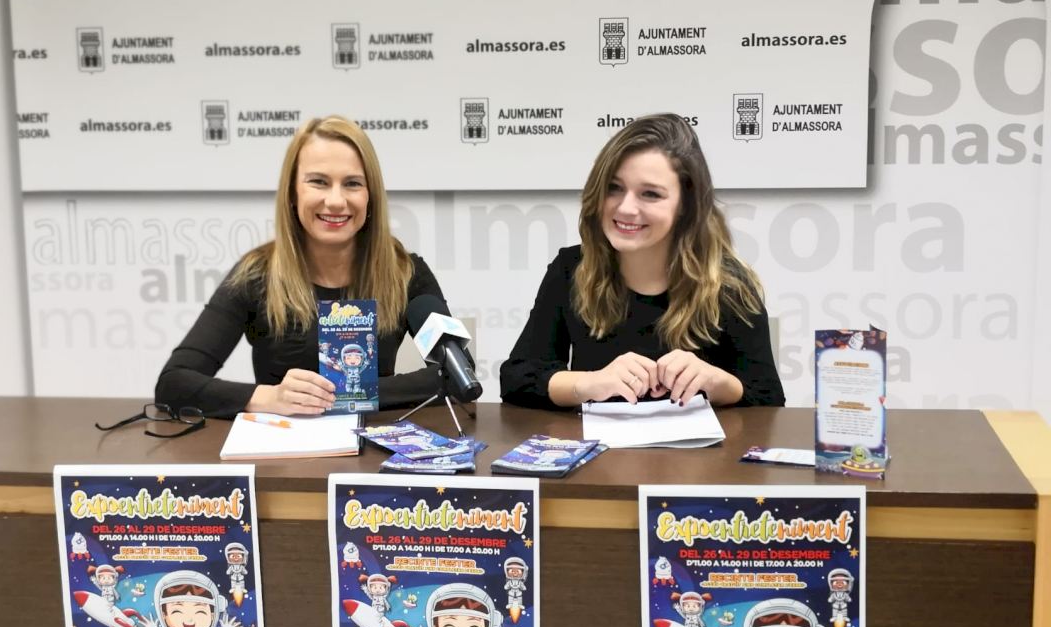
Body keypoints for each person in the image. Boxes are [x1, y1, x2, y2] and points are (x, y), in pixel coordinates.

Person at [156, 116, 448, 415]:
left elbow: (455, 376)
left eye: (352, 184)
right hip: (280, 442)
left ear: (370, 196)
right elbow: (174, 384)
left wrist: (346, 394)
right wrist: (269, 398)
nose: (336, 201)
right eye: (319, 182)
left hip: (371, 440)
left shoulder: (405, 272)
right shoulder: (256, 274)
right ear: (292, 193)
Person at [500, 114, 784, 409]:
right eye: (614, 188)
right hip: (599, 439)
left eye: (650, 194)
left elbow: (769, 399)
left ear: (686, 205)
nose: (625, 208)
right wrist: (588, 383)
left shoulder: (729, 283)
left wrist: (718, 383)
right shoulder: (571, 268)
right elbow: (517, 378)